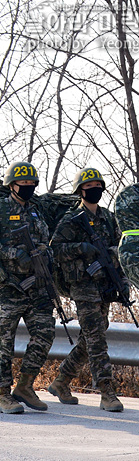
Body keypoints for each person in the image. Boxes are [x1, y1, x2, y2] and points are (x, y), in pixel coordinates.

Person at [47, 167, 127, 412]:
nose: (95, 190)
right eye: (89, 187)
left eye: (98, 186)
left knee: (94, 334)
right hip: (83, 286)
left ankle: (61, 380)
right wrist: (82, 248)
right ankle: (106, 391)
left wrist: (122, 282)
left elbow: (120, 249)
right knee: (96, 338)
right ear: (80, 190)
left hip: (104, 285)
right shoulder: (71, 220)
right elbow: (56, 250)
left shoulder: (109, 218)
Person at [0, 161, 55, 414]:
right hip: (7, 286)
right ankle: (1, 393)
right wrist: (14, 253)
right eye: (24, 184)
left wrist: (42, 253)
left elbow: (45, 240)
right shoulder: (1, 209)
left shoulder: (36, 211)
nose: (29, 187)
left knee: (45, 333)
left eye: (32, 184)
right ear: (12, 185)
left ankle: (24, 386)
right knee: (4, 343)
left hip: (36, 286)